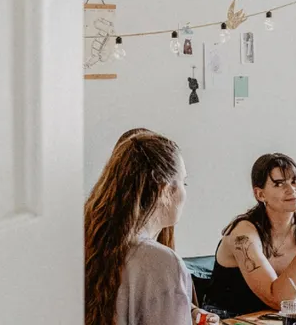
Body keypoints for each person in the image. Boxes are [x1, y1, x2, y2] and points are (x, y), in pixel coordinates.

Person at [85, 129, 220, 325]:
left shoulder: (91, 242)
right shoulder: (161, 262)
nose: (185, 191)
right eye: (184, 182)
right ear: (164, 190)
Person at [202, 153, 296, 317]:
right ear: (260, 194)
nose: (291, 190)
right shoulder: (243, 235)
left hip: (270, 318)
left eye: (295, 181)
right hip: (228, 318)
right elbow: (278, 300)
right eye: (279, 184)